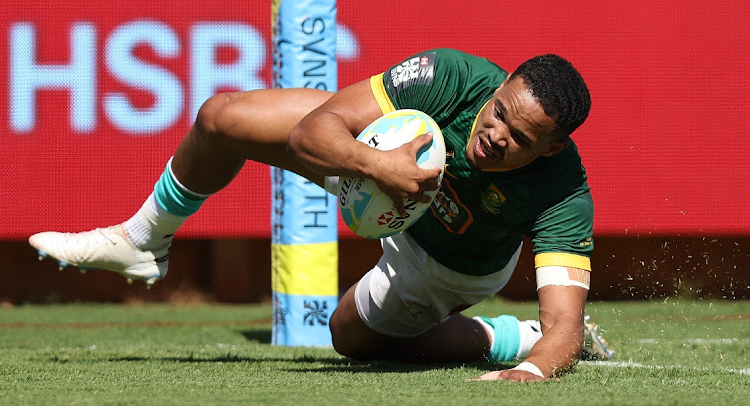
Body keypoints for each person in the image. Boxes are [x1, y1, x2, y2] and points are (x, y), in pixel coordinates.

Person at [29, 48, 613, 382]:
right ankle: (142, 239)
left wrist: (534, 369)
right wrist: (380, 167)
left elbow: (565, 326)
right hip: (379, 169)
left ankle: (508, 337)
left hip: (448, 261)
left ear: (551, 148)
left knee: (349, 336)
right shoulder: (453, 78)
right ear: (501, 83)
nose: (495, 135)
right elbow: (315, 133)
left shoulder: (564, 192)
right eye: (498, 112)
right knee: (220, 118)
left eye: (519, 137)